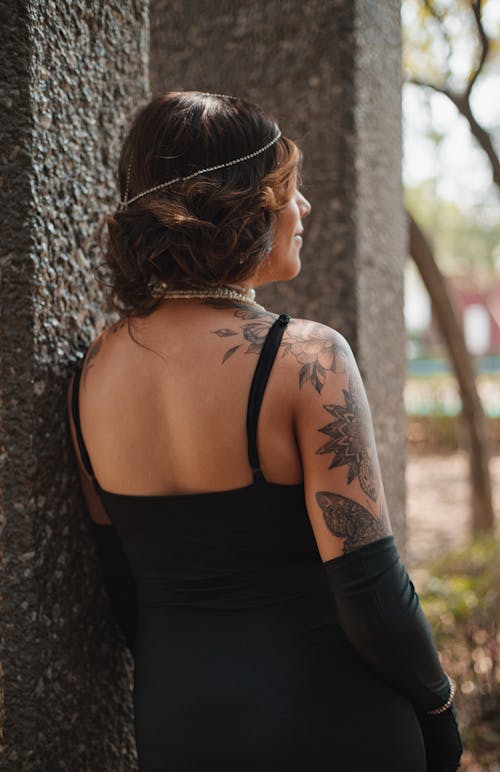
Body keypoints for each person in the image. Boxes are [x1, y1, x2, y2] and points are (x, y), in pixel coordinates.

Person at [67, 90, 463, 771]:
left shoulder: (90, 372)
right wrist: (439, 707)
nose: (302, 208)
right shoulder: (306, 359)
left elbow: (122, 593)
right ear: (240, 205)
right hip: (334, 724)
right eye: (288, 190)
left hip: (178, 729)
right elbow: (372, 590)